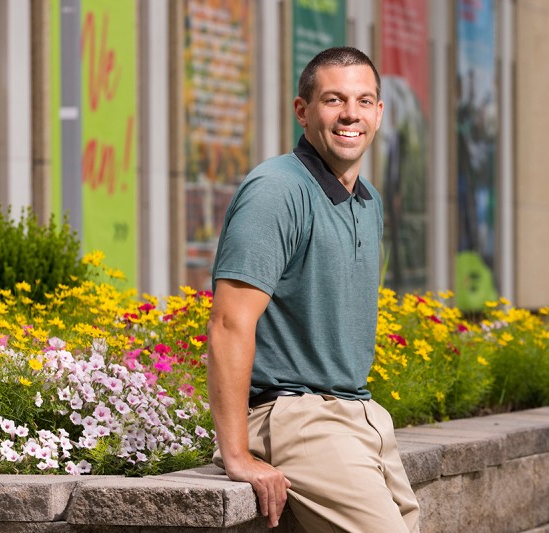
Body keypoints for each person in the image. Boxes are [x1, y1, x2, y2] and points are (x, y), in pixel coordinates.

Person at [206, 47, 420, 532]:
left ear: (379, 113)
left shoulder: (368, 200)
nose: (350, 114)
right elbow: (229, 321)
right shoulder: (278, 190)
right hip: (294, 416)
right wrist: (236, 455)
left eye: (363, 101)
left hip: (360, 414)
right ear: (302, 111)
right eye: (333, 100)